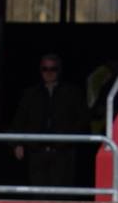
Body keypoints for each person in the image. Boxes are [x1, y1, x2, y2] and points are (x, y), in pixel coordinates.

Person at [11, 54, 90, 193]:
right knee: (38, 195)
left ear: (59, 70)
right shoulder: (30, 94)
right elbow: (20, 120)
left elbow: (82, 120)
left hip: (63, 153)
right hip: (36, 152)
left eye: (53, 69)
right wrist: (17, 143)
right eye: (45, 69)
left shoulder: (72, 93)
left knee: (61, 196)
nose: (49, 73)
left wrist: (69, 140)